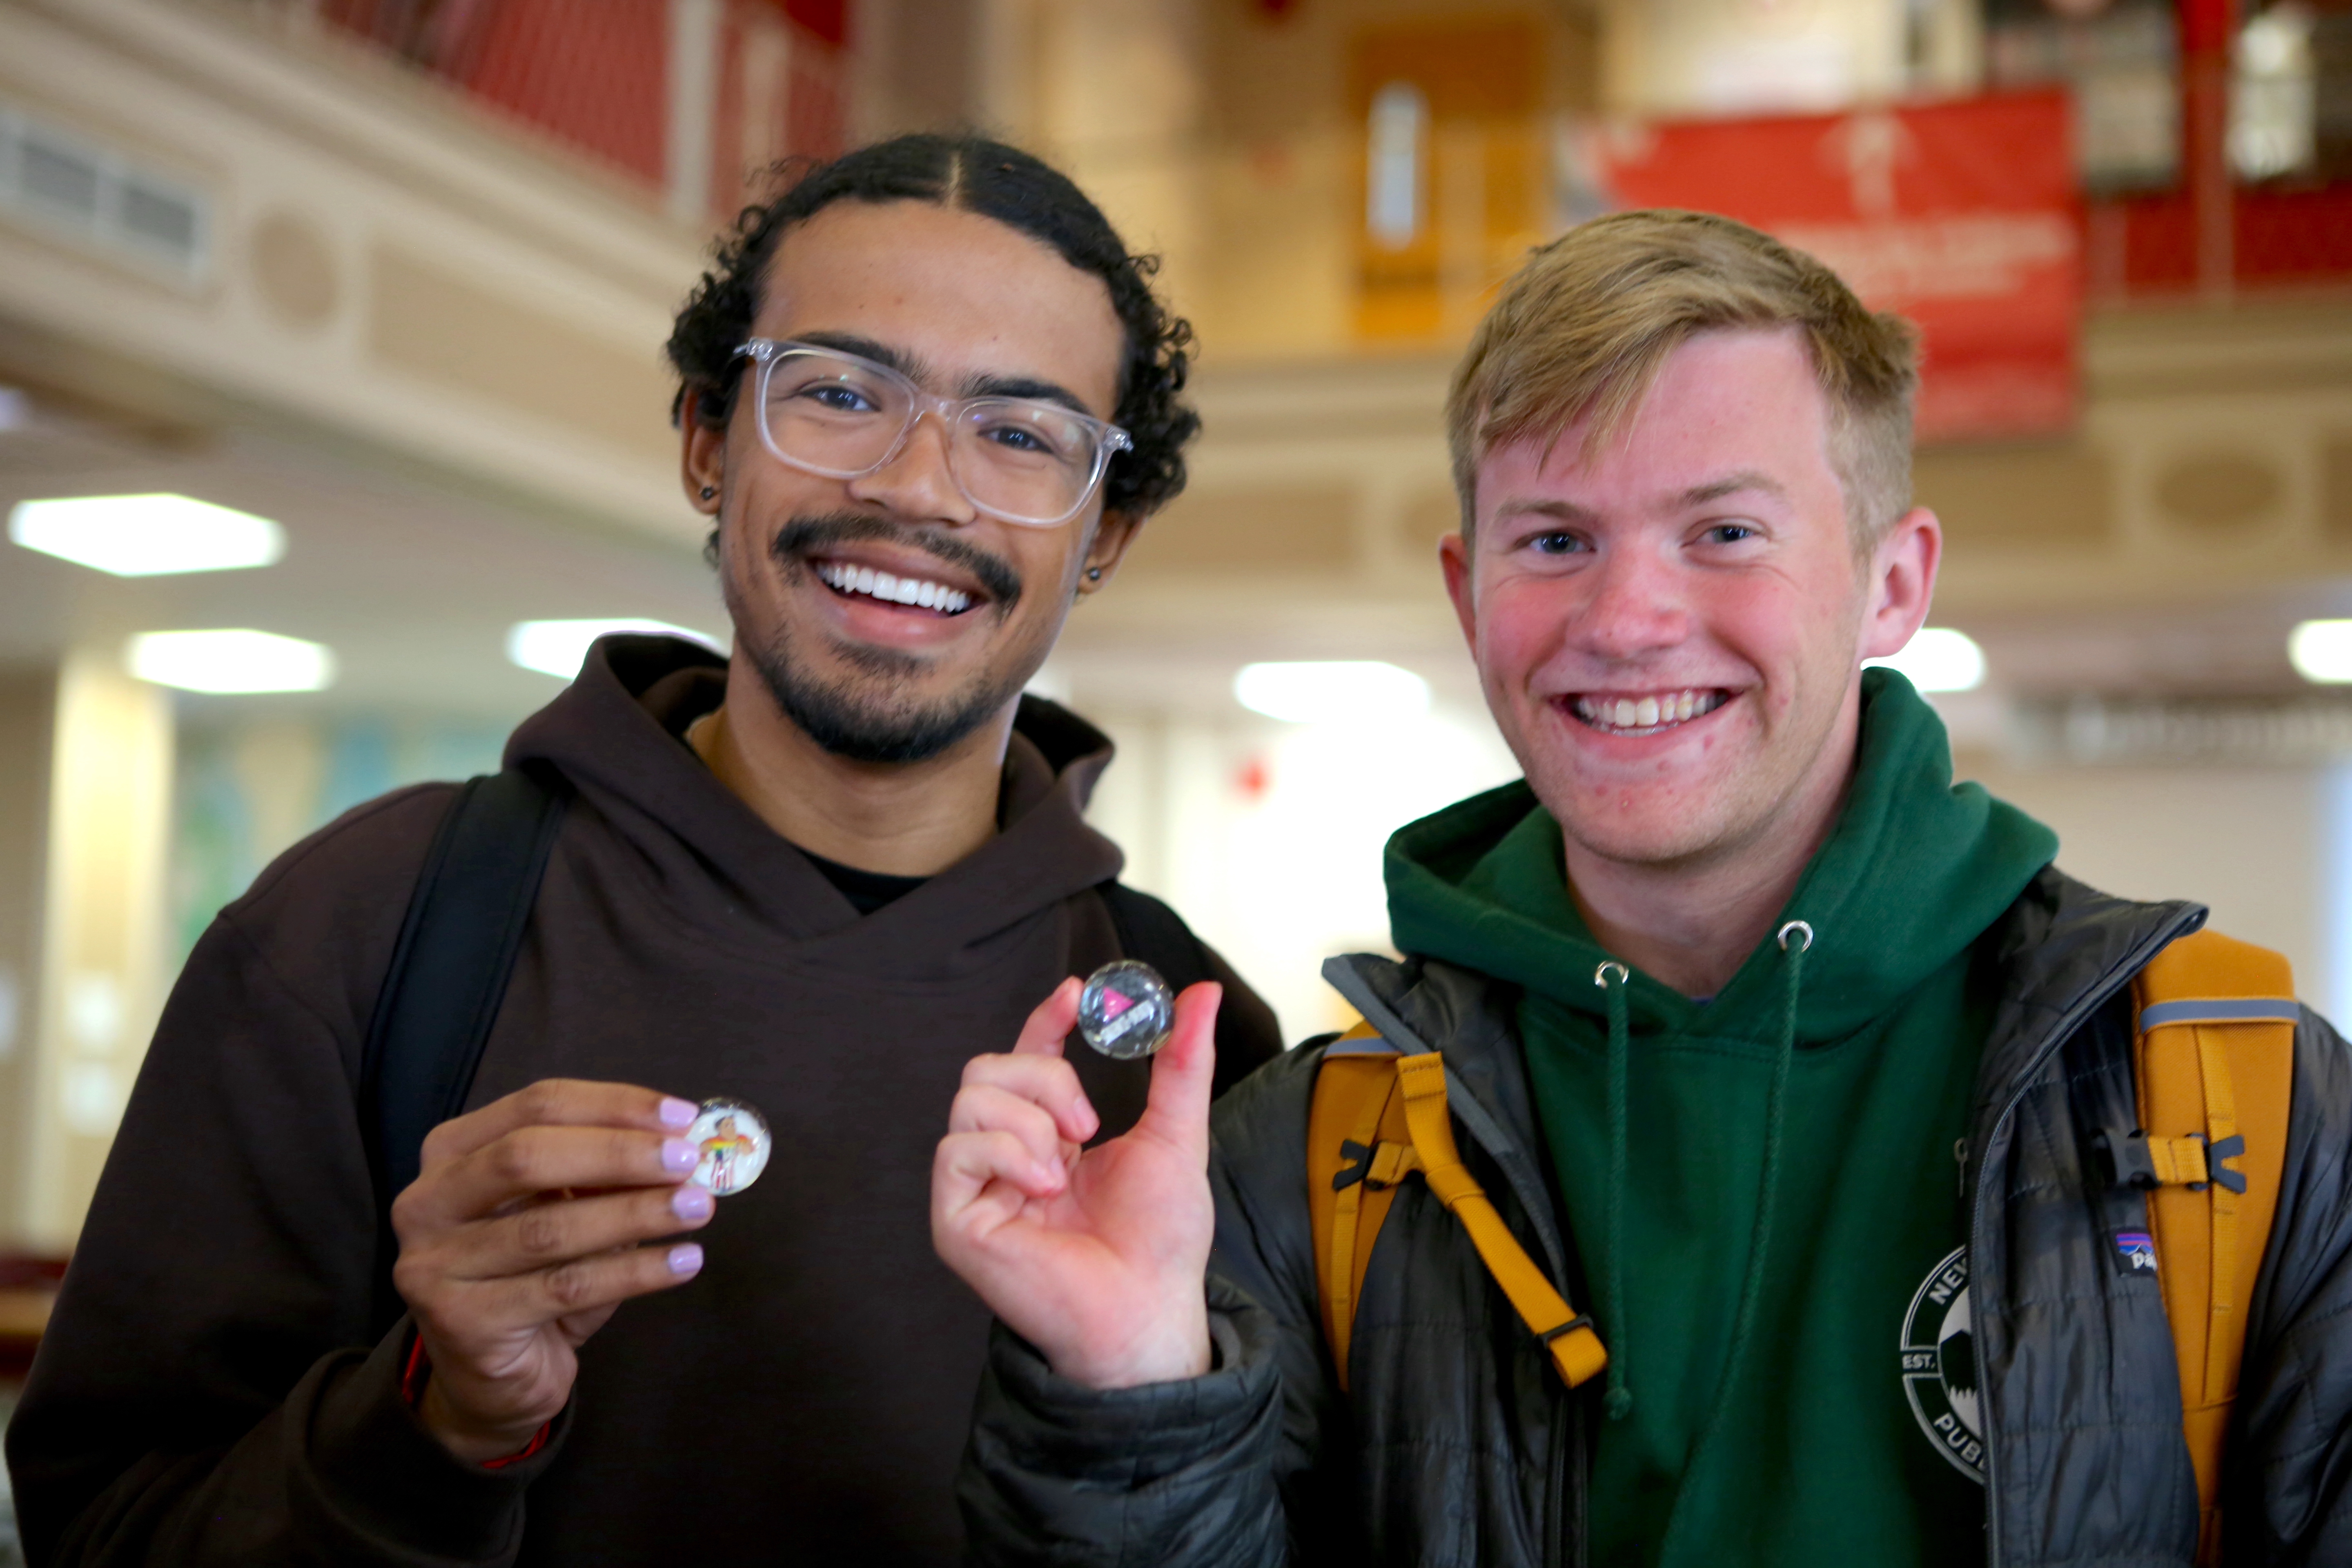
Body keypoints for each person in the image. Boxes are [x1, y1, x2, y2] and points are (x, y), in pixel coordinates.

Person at [931, 210, 2352, 1564]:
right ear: (1468, 589)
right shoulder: (1304, 1155)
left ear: (1892, 584)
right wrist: (1128, 1399)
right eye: (1554, 540)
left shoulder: (2244, 1102)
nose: (1626, 621)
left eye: (1725, 533)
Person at [6, 134, 1282, 1566]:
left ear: (1104, 527)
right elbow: (95, 1526)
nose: (923, 488)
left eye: (1023, 431)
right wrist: (436, 1424)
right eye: (841, 392)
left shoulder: (1184, 1041)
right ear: (704, 439)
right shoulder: (368, 930)